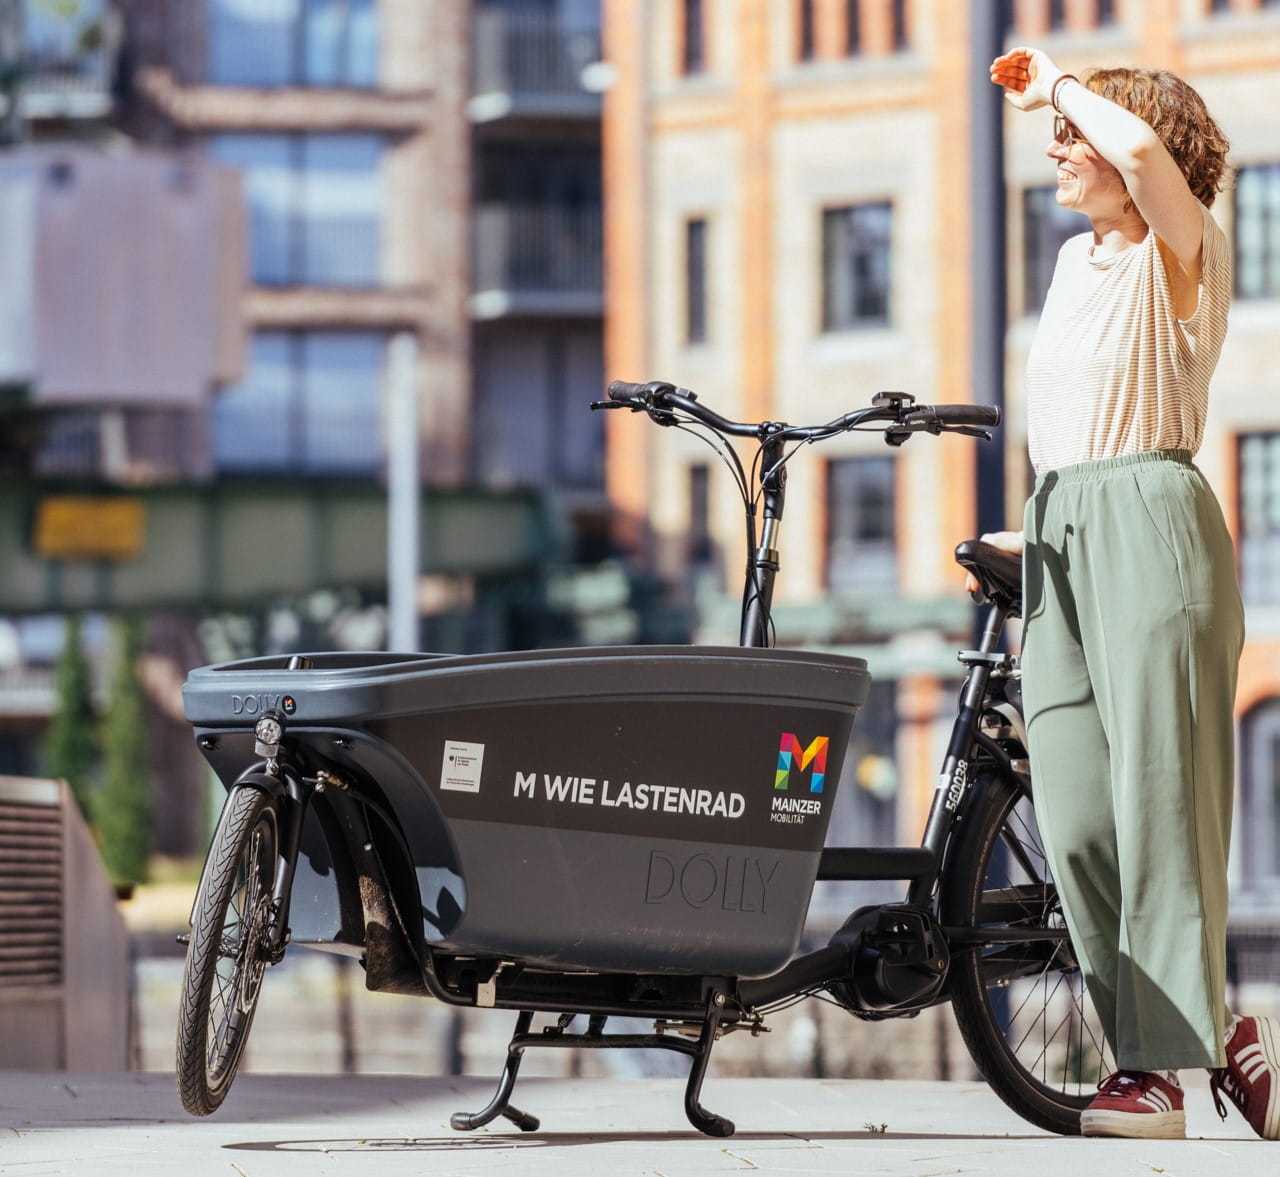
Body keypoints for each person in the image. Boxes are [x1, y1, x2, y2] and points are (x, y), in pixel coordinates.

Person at [981, 47, 1279, 1141]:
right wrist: (1036, 515)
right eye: (1055, 134)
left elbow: (1148, 152)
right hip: (1062, 529)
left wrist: (1057, 80)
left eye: (1076, 137)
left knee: (1160, 803)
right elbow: (1069, 417)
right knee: (1073, 811)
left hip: (1153, 527)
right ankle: (1225, 1038)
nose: (1057, 148)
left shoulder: (1179, 248)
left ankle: (1147, 1073)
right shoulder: (1068, 265)